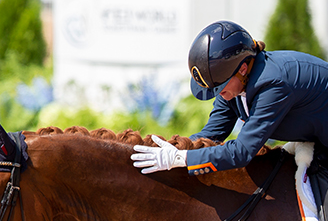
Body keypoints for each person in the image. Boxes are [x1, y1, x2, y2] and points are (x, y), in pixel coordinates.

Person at [130, 20, 328, 176]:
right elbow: (212, 134)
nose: (219, 96)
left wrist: (183, 159)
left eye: (220, 88)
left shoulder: (273, 84)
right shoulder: (235, 82)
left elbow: (242, 151)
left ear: (242, 68)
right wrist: (174, 149)